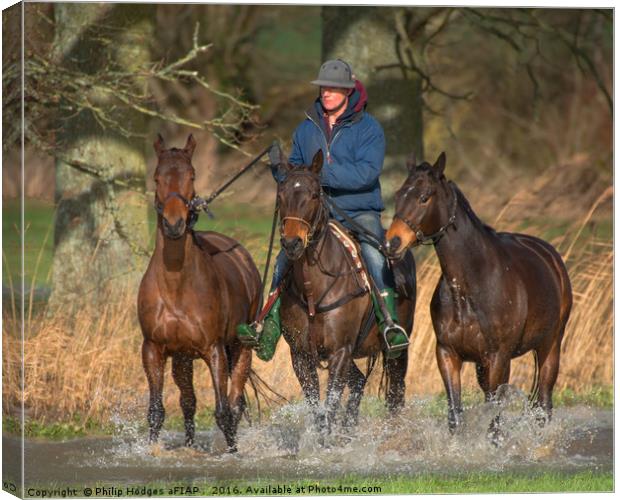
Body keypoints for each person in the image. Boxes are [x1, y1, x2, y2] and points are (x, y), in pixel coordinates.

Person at [237, 59, 409, 361]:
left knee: (373, 254)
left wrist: (320, 176)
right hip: (315, 213)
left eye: (332, 89)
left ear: (347, 91)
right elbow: (295, 175)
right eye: (323, 88)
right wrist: (278, 168)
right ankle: (267, 326)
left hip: (358, 210)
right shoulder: (306, 128)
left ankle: (389, 324)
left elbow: (366, 173)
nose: (326, 93)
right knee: (283, 259)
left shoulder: (369, 128)